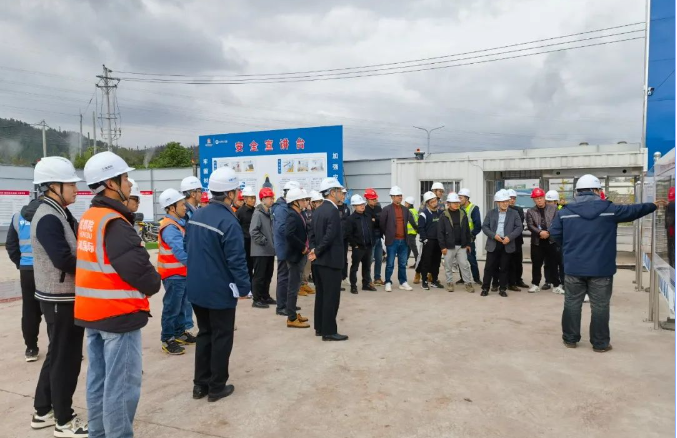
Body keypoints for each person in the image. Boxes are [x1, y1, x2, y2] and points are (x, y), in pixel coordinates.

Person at [76, 151, 161, 437]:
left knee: (99, 380)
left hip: (93, 313)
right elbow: (138, 269)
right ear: (111, 184)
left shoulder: (90, 217)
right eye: (124, 178)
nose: (128, 184)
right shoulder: (114, 222)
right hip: (117, 314)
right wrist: (154, 282)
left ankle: (98, 433)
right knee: (122, 385)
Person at [550, 174, 662, 352]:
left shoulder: (564, 212)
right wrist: (653, 205)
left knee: (572, 303)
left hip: (574, 267)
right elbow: (633, 210)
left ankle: (570, 339)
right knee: (600, 306)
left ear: (577, 192)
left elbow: (554, 233)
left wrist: (570, 248)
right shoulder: (610, 209)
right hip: (601, 268)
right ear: (596, 190)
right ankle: (600, 343)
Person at [29, 157, 88, 437]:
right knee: (66, 359)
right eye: (70, 184)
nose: (76, 189)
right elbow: (63, 259)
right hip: (59, 299)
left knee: (57, 354)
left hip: (60, 297)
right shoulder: (48, 217)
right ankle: (64, 420)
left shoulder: (59, 212)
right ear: (53, 186)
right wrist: (94, 266)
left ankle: (43, 411)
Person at [185, 166, 251, 401]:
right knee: (222, 336)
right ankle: (216, 387)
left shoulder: (197, 215)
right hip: (219, 290)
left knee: (205, 333)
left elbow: (186, 246)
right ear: (230, 194)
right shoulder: (228, 221)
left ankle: (200, 385)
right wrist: (244, 287)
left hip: (196, 288)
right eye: (236, 191)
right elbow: (237, 260)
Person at [157, 188, 195, 356]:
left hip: (181, 274)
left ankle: (179, 333)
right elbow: (180, 252)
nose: (185, 207)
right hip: (173, 275)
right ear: (172, 208)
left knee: (181, 306)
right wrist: (196, 266)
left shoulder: (178, 224)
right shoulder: (170, 227)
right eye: (182, 204)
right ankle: (167, 339)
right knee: (172, 307)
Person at [311, 177, 348, 341]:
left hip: (319, 261)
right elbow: (330, 236)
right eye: (339, 191)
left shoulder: (318, 210)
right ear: (332, 192)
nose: (341, 194)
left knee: (321, 295)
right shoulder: (333, 211)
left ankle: (320, 327)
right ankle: (329, 331)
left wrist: (314, 251)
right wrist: (317, 251)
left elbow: (311, 234)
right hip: (330, 261)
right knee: (331, 297)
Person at [6, 195, 42, 362]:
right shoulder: (50, 215)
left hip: (27, 270)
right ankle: (58, 348)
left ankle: (31, 349)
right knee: (54, 308)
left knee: (29, 310)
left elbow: (11, 245)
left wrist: (21, 264)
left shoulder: (17, 217)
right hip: (48, 270)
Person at [480, 190, 523, 297]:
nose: (505, 203)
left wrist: (509, 237)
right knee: (489, 267)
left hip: (507, 242)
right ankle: (485, 288)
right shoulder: (491, 213)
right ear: (497, 202)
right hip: (493, 242)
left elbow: (519, 227)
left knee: (504, 267)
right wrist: (493, 235)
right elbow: (485, 226)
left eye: (506, 201)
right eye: (502, 201)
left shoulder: (514, 213)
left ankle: (502, 288)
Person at [380, 186, 417, 292]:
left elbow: (412, 222)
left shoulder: (405, 210)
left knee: (402, 263)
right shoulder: (386, 209)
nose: (400, 197)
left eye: (400, 195)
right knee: (390, 263)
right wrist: (388, 234)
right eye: (397, 196)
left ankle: (403, 282)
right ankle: (388, 282)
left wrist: (420, 231)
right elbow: (382, 224)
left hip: (404, 241)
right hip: (392, 241)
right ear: (392, 197)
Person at [272, 181, 300, 316]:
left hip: (287, 247)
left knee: (288, 278)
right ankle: (281, 306)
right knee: (283, 277)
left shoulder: (284, 207)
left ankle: (288, 304)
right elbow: (283, 229)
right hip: (284, 248)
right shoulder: (281, 209)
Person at [526, 188, 562, 294]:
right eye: (536, 198)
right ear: (534, 200)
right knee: (536, 264)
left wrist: (548, 232)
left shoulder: (554, 208)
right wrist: (540, 232)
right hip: (537, 241)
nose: (539, 200)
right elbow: (530, 225)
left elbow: (557, 222)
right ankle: (535, 284)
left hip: (551, 240)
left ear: (544, 198)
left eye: (541, 198)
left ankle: (556, 285)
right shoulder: (530, 211)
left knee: (553, 263)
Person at [284, 188, 312, 328]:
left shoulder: (298, 214)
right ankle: (291, 318)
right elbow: (289, 235)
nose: (305, 202)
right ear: (295, 202)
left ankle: (293, 314)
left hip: (300, 255)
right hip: (295, 256)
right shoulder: (291, 215)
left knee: (295, 286)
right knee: (293, 287)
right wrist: (302, 247)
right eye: (302, 199)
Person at [438, 193, 475, 293]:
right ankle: (449, 283)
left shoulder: (463, 214)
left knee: (464, 265)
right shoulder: (443, 215)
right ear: (448, 203)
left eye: (457, 202)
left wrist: (468, 244)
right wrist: (442, 247)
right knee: (448, 266)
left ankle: (468, 283)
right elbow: (440, 232)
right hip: (448, 246)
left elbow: (467, 230)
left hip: (461, 245)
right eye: (454, 203)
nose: (456, 204)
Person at [249, 188, 277, 309]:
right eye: (270, 198)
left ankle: (265, 296)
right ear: (263, 199)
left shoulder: (269, 213)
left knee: (268, 275)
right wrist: (264, 241)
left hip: (269, 250)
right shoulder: (258, 214)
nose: (272, 200)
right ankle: (257, 299)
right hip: (260, 251)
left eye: (272, 198)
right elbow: (253, 231)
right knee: (259, 276)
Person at [345, 194, 375, 294]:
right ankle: (353, 286)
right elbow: (348, 234)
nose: (362, 206)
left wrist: (372, 242)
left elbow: (371, 230)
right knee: (355, 267)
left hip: (368, 246)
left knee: (367, 267)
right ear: (354, 206)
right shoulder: (351, 219)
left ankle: (366, 284)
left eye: (363, 204)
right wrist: (355, 245)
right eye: (359, 204)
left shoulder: (368, 216)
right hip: (358, 248)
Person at [418, 191, 443, 290]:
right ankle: (424, 281)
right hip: (429, 241)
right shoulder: (423, 214)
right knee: (426, 261)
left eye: (435, 201)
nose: (434, 203)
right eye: (432, 202)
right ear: (427, 203)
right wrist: (424, 239)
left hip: (438, 241)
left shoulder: (440, 213)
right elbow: (421, 228)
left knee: (436, 262)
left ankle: (434, 280)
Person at [458, 188, 482, 285]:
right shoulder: (458, 208)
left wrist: (471, 236)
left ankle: (476, 278)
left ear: (467, 198)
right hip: (459, 238)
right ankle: (462, 278)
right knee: (460, 260)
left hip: (469, 239)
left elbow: (478, 226)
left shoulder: (474, 209)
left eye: (461, 198)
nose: (459, 200)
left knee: (471, 259)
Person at [299, 191, 320, 295]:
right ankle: (299, 286)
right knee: (301, 266)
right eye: (305, 200)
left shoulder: (311, 212)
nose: (306, 202)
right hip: (303, 242)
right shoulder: (302, 213)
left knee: (307, 265)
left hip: (309, 242)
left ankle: (304, 283)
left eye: (308, 200)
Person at [507, 189, 528, 290]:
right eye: (510, 198)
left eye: (514, 198)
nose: (512, 200)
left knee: (518, 261)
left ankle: (518, 280)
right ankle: (508, 281)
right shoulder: (501, 210)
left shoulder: (519, 210)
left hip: (517, 240)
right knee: (507, 261)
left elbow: (518, 225)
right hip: (506, 240)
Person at [236, 186, 256, 281]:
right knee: (247, 267)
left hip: (255, 243)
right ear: (245, 198)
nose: (253, 200)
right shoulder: (239, 212)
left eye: (254, 198)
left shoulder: (256, 211)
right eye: (251, 198)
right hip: (245, 244)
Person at [364, 188, 384, 286]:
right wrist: (376, 220)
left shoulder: (378, 208)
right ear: (367, 199)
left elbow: (381, 221)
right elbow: (369, 223)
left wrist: (375, 220)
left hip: (378, 237)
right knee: (369, 260)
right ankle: (368, 279)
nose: (374, 201)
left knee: (379, 259)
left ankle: (377, 278)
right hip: (370, 238)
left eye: (375, 199)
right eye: (372, 199)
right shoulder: (365, 210)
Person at [546, 190, 565, 290]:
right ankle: (549, 281)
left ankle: (563, 282)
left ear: (556, 201)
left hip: (559, 240)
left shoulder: (562, 210)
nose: (548, 203)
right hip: (547, 240)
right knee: (548, 263)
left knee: (561, 263)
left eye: (550, 201)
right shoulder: (544, 210)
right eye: (547, 201)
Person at [338, 188, 351, 289]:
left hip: (345, 237)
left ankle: (344, 276)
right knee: (337, 258)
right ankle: (337, 278)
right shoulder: (333, 208)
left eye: (344, 194)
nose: (343, 196)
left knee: (344, 258)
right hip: (336, 238)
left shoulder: (346, 208)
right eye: (342, 194)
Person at [404, 196, 419, 268]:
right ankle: (405, 262)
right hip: (413, 232)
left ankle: (418, 262)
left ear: (408, 204)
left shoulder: (408, 211)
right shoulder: (415, 211)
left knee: (413, 248)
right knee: (408, 247)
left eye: (405, 203)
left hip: (410, 232)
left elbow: (412, 222)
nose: (404, 204)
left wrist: (417, 229)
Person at [666, 187, 675, 268]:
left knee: (671, 247)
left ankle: (672, 265)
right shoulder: (671, 204)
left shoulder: (670, 205)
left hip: (671, 230)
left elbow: (669, 220)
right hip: (672, 229)